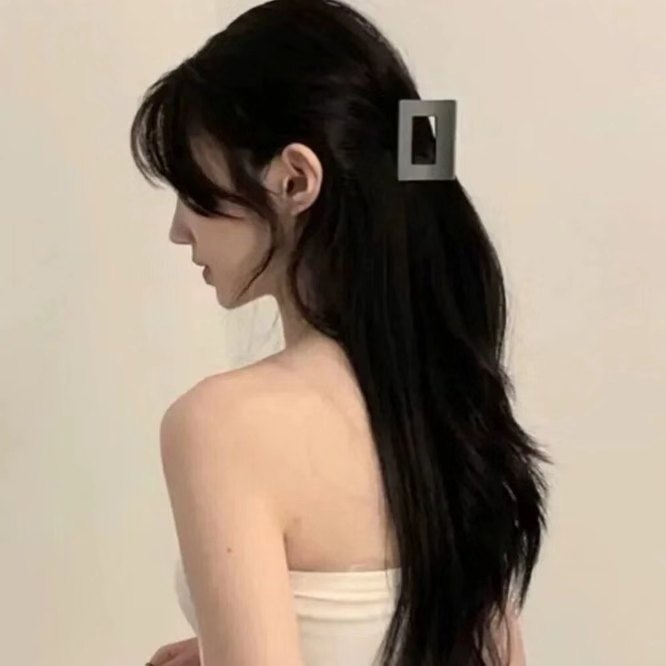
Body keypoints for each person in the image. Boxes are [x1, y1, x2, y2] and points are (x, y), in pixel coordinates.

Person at [130, 1, 548, 665]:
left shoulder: (221, 424)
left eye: (192, 191)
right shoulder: (451, 390)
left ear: (294, 179)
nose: (179, 231)